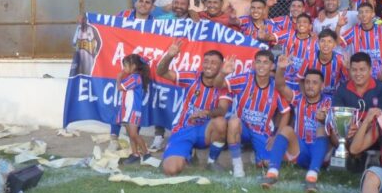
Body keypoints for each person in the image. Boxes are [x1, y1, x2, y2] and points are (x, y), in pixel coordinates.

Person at [263, 57, 336, 193]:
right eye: (307, 82)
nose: (310, 85)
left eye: (314, 83)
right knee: (286, 129)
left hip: (321, 152)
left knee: (322, 129)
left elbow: (334, 131)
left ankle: (312, 177)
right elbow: (280, 86)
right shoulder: (298, 98)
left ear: (322, 86)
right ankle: (272, 173)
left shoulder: (329, 102)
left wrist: (325, 120)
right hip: (300, 150)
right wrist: (281, 69)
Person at [157, 40, 230, 176]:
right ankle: (184, 155)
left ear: (221, 67)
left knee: (221, 122)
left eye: (214, 63)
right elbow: (161, 72)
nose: (208, 65)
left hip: (205, 132)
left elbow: (222, 110)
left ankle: (211, 161)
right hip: (184, 129)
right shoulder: (192, 77)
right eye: (206, 61)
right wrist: (169, 56)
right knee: (170, 170)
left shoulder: (224, 86)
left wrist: (206, 113)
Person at [215, 51, 291, 178]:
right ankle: (238, 166)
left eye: (265, 62)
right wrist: (223, 73)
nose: (261, 65)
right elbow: (218, 85)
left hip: (262, 132)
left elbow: (286, 112)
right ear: (254, 64)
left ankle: (255, 155)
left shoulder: (276, 87)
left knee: (267, 164)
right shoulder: (244, 79)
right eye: (258, 62)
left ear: (272, 66)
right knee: (234, 121)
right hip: (242, 128)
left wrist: (276, 135)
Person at [339, 2, 382, 81]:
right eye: (361, 12)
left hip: (381, 77)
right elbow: (337, 42)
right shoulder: (354, 30)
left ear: (372, 14)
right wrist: (338, 26)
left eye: (367, 11)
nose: (364, 14)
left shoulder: (381, 29)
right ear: (358, 16)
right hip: (361, 77)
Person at [332, 52, 382, 119]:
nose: (358, 73)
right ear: (350, 71)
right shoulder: (341, 90)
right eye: (354, 70)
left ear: (370, 70)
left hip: (375, 128)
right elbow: (338, 117)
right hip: (350, 128)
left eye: (362, 70)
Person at [115, 54, 150, 164]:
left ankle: (146, 153)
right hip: (128, 110)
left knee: (134, 134)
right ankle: (135, 154)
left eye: (125, 66)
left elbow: (120, 87)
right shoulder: (134, 77)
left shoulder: (134, 78)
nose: (123, 69)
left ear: (133, 66)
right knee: (130, 134)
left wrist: (119, 78)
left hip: (133, 111)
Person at [296, 29, 348, 98]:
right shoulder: (309, 58)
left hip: (333, 97)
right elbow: (300, 79)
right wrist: (305, 96)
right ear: (318, 43)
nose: (326, 44)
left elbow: (346, 82)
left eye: (329, 41)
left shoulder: (340, 60)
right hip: (314, 97)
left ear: (335, 44)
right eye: (322, 41)